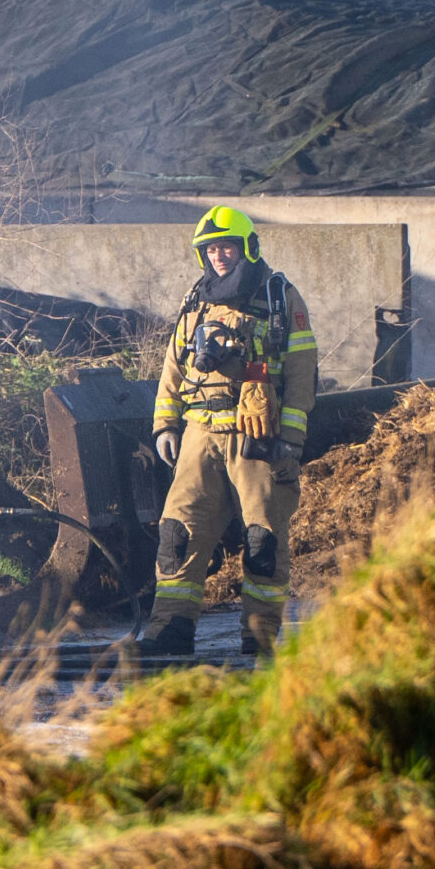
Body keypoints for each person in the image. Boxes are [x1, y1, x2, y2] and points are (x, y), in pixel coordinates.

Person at [145, 206, 318, 659]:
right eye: (211, 249)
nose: (219, 257)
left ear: (247, 248)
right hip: (200, 433)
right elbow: (173, 365)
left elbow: (302, 371)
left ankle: (258, 639)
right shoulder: (195, 299)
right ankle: (170, 635)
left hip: (257, 437)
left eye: (227, 247)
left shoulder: (278, 296)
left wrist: (291, 437)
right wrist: (166, 423)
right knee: (177, 534)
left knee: (263, 541)